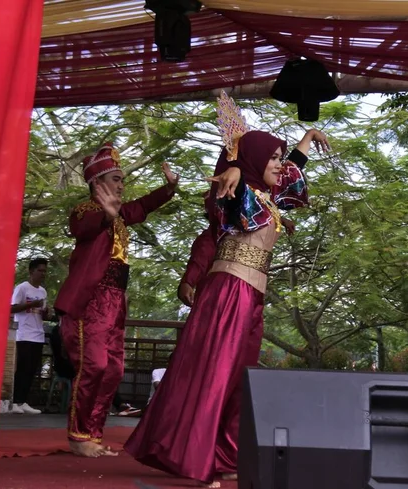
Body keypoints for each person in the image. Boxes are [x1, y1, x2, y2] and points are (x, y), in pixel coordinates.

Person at [125, 91, 329, 488]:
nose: (278, 165)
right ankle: (197, 458)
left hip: (252, 295)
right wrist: (233, 169)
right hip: (229, 292)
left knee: (240, 378)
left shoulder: (266, 199)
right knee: (217, 375)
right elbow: (232, 202)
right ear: (250, 161)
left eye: (278, 157)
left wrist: (305, 139)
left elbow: (287, 174)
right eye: (271, 157)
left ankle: (225, 454)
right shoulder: (237, 194)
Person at [54, 142, 178, 458]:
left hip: (116, 300)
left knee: (112, 370)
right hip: (91, 300)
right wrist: (106, 217)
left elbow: (141, 206)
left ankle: (92, 434)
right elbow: (82, 227)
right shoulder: (87, 211)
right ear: (97, 183)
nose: (122, 185)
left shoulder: (121, 214)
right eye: (116, 180)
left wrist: (169, 188)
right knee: (93, 364)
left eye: (122, 180)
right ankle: (78, 435)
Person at [10, 257, 51, 414]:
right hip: (24, 333)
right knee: (23, 368)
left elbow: (43, 315)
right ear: (31, 271)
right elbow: (12, 308)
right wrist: (31, 304)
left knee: (32, 369)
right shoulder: (22, 288)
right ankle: (15, 402)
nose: (43, 274)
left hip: (38, 334)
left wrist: (46, 313)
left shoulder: (42, 291)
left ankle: (23, 401)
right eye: (40, 270)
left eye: (45, 271)